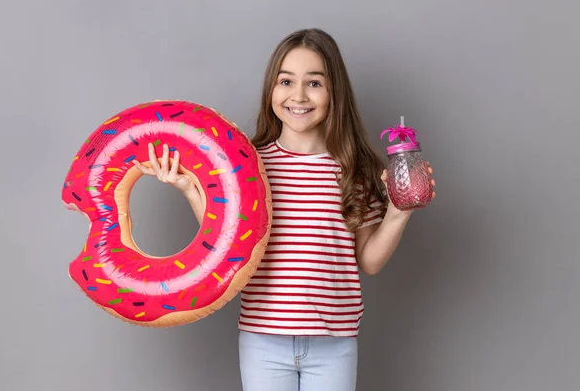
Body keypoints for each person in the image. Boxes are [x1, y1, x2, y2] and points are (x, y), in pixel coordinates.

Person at [133, 28, 436, 391]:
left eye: (314, 83)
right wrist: (188, 188)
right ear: (271, 91)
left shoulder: (355, 168)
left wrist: (399, 212)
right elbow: (231, 243)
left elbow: (369, 261)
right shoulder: (247, 164)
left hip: (334, 343)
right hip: (263, 339)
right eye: (286, 81)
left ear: (334, 92)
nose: (298, 95)